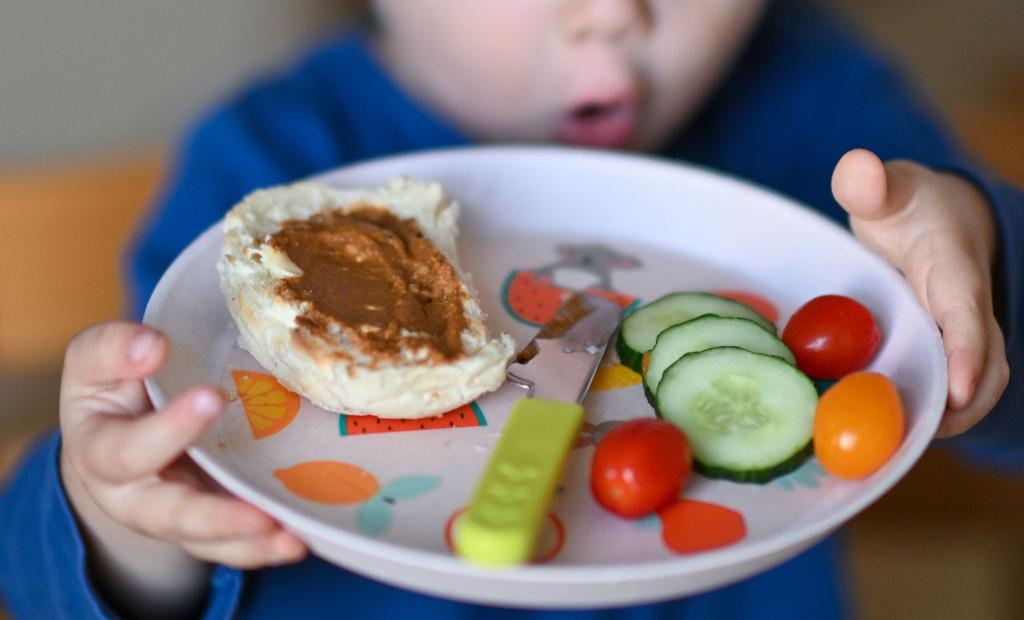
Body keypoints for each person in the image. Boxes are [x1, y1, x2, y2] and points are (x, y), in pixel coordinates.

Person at [2, 1, 1021, 618]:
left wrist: (979, 263)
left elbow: (977, 372)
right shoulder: (260, 170)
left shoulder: (819, 110)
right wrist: (121, 525)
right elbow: (52, 568)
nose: (613, 15)